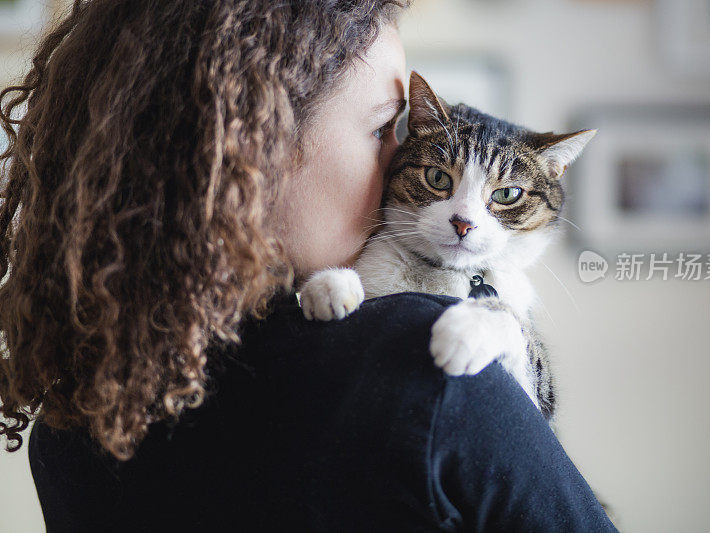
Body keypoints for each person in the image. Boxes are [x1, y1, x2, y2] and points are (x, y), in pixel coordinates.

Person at [0, 1, 617, 530]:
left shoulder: (73, 418)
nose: (404, 159)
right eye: (384, 129)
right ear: (255, 151)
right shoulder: (436, 373)